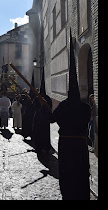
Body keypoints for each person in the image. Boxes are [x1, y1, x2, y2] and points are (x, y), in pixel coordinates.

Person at [50, 29, 91, 200]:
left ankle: (68, 193)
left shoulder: (63, 106)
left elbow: (52, 118)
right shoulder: (84, 107)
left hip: (66, 144)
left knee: (67, 170)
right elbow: (86, 121)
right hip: (80, 144)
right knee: (81, 170)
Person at [32, 68, 53, 154]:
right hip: (38, 119)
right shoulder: (37, 99)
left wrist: (44, 105)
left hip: (44, 120)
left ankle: (46, 146)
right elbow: (34, 107)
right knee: (38, 134)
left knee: (45, 134)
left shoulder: (47, 98)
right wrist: (40, 105)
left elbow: (50, 108)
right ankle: (39, 147)